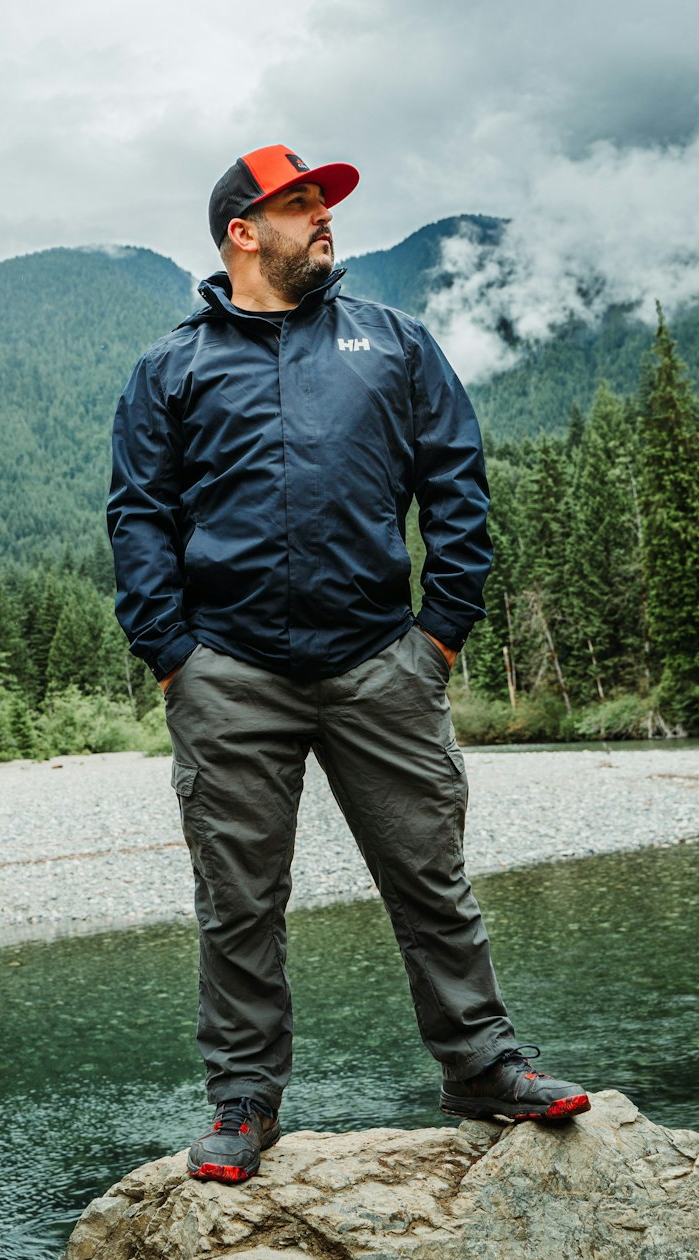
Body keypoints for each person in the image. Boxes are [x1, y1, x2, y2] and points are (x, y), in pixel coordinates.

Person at [107, 144, 589, 1184]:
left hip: (382, 663)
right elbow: (139, 518)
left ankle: (483, 1070)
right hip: (228, 674)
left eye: (324, 203)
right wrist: (172, 658)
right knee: (238, 900)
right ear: (244, 232)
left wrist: (440, 632)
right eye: (300, 205)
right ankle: (244, 1104)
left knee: (431, 880)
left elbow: (457, 486)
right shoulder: (172, 367)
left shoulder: (395, 343)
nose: (324, 218)